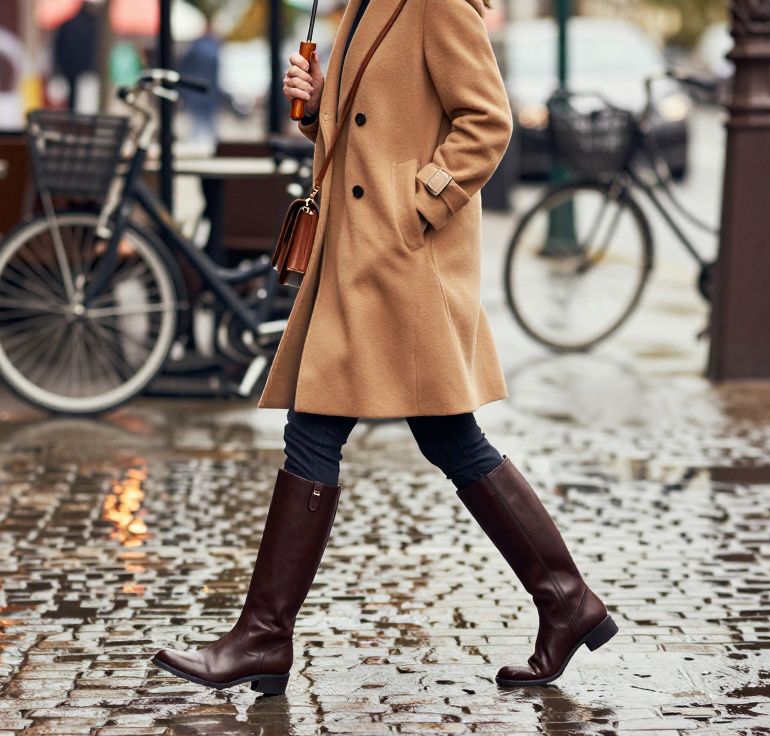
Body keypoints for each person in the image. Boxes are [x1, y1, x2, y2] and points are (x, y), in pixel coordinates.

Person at [151, 0, 615, 695]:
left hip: (400, 260)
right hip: (365, 257)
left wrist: (417, 205)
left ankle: (265, 636)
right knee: (436, 437)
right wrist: (314, 112)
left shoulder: (435, 3)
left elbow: (487, 121)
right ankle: (564, 599)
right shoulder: (366, 6)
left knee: (332, 428)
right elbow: (371, 126)